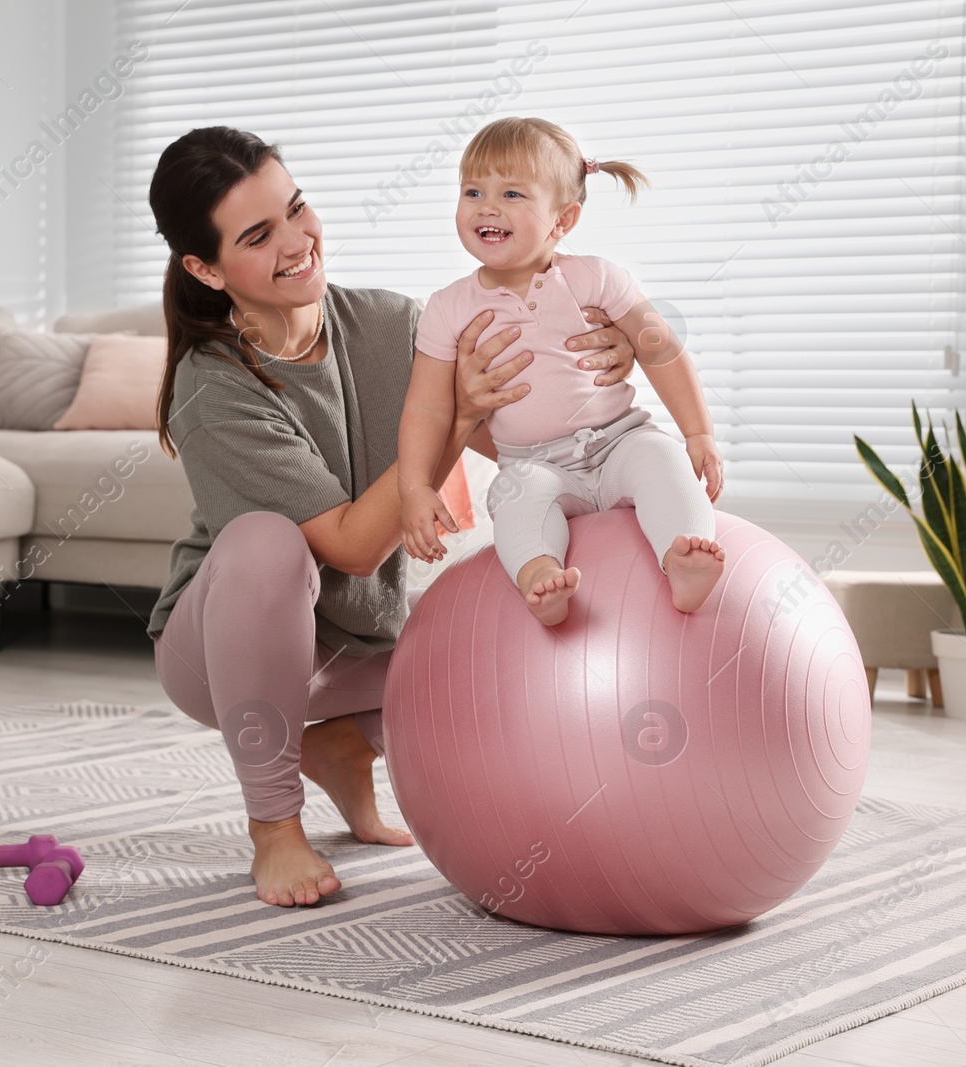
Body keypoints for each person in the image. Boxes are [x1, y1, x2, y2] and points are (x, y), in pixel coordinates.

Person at [145, 126, 641, 907]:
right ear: (205, 269)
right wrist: (451, 420)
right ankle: (274, 827)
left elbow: (524, 434)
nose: (297, 241)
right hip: (219, 654)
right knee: (267, 542)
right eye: (257, 235)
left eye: (297, 209)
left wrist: (606, 355)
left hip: (357, 646)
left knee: (517, 612)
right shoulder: (212, 390)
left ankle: (341, 744)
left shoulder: (391, 322)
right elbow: (350, 544)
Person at [398, 117, 726, 627]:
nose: (487, 206)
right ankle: (540, 578)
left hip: (620, 439)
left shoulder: (597, 277)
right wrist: (416, 488)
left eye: (511, 193)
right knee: (514, 502)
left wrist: (697, 432)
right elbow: (424, 406)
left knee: (663, 462)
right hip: (531, 462)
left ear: (563, 220)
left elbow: (661, 350)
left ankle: (681, 558)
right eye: (472, 190)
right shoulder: (447, 308)